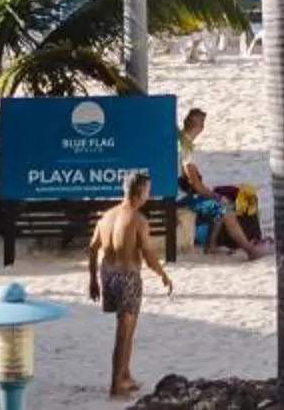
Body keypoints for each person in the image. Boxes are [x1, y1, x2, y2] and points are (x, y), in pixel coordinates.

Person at [88, 166, 171, 401]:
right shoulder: (138, 220)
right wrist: (162, 273)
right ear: (138, 192)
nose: (149, 195)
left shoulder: (107, 216)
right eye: (148, 191)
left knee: (127, 329)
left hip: (108, 275)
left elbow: (93, 249)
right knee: (124, 332)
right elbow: (148, 254)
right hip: (127, 277)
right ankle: (116, 386)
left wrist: (93, 280)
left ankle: (125, 375)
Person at [176, 109, 263, 259]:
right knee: (225, 208)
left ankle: (211, 245)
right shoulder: (185, 148)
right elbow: (196, 185)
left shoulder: (180, 141)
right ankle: (250, 251)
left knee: (220, 203)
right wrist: (216, 196)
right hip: (181, 199)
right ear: (200, 126)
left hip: (179, 194)